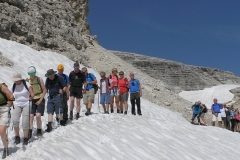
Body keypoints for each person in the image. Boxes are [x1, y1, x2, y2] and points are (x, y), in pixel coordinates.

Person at [11, 73, 34, 145]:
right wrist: (10, 99)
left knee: (25, 120)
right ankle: (17, 136)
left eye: (17, 80)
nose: (16, 82)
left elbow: (32, 93)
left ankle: (25, 137)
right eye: (15, 81)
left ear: (20, 79)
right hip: (17, 104)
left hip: (26, 103)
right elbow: (10, 94)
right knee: (15, 120)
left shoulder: (26, 84)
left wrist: (31, 97)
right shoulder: (13, 85)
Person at [27, 66, 47, 137]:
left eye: (33, 74)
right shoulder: (27, 81)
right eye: (31, 75)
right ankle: (30, 131)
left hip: (40, 98)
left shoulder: (39, 79)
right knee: (31, 116)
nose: (32, 76)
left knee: (38, 116)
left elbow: (44, 90)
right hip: (32, 100)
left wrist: (40, 100)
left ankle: (39, 130)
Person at [0, 83, 14, 159]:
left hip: (4, 109)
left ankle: (5, 148)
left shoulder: (1, 86)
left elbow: (11, 95)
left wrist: (11, 102)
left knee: (2, 131)